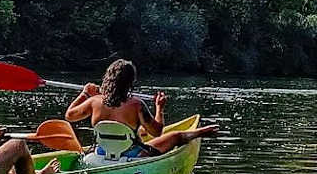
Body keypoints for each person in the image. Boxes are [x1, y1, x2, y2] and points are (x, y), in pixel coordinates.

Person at [65, 59, 218, 158]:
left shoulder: (94, 101)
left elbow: (70, 116)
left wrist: (85, 93)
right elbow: (157, 132)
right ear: (130, 83)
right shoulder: (136, 105)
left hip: (101, 152)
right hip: (132, 154)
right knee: (175, 136)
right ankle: (198, 132)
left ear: (108, 79)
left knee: (140, 133)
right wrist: (160, 108)